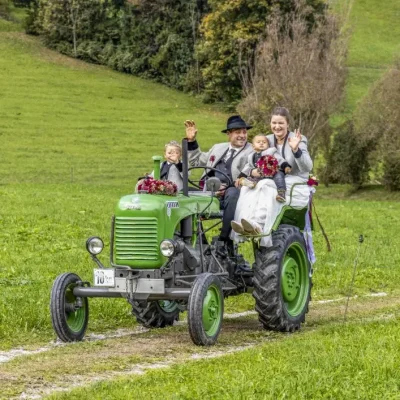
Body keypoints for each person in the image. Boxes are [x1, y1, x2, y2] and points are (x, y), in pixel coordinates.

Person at [230, 107, 313, 246]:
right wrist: (251, 173)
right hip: (270, 178)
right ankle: (245, 223)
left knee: (265, 185)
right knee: (247, 188)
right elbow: (252, 161)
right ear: (270, 123)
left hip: (294, 180)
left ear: (287, 124)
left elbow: (307, 167)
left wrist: (295, 149)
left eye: (281, 123)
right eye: (274, 123)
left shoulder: (298, 139)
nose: (277, 126)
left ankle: (258, 224)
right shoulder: (266, 140)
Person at [184, 115, 254, 257]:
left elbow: (250, 171)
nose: (242, 136)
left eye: (244, 132)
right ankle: (200, 243)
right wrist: (191, 141)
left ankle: (224, 240)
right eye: (237, 132)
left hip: (234, 194)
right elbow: (197, 160)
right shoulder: (218, 148)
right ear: (229, 134)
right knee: (182, 193)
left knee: (233, 192)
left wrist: (227, 187)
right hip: (208, 192)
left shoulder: (252, 151)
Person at [237, 134, 292, 202]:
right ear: (253, 146)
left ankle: (281, 193)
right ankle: (251, 183)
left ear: (268, 145)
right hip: (261, 174)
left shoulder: (271, 151)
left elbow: (279, 159)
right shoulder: (251, 156)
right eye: (258, 142)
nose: (261, 143)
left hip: (273, 172)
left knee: (279, 176)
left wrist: (286, 166)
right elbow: (248, 166)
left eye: (264, 142)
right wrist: (241, 176)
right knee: (254, 176)